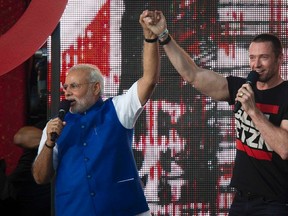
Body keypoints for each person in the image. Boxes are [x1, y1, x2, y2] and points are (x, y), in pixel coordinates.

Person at [142, 10, 288, 215]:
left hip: (276, 203)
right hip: (241, 200)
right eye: (252, 57)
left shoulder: (285, 95)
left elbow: (284, 148)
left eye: (264, 57)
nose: (256, 65)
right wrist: (164, 36)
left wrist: (253, 112)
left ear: (280, 58)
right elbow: (193, 74)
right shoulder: (242, 87)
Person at [32, 10, 160, 216]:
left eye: (74, 86)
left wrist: (150, 37)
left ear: (95, 88)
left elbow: (149, 80)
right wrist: (49, 143)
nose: (67, 92)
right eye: (65, 87)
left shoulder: (117, 109)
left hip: (123, 210)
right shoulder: (55, 126)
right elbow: (40, 178)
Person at [0, 121, 51, 216]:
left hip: (40, 202)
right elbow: (20, 138)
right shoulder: (51, 125)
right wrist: (54, 139)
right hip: (14, 193)